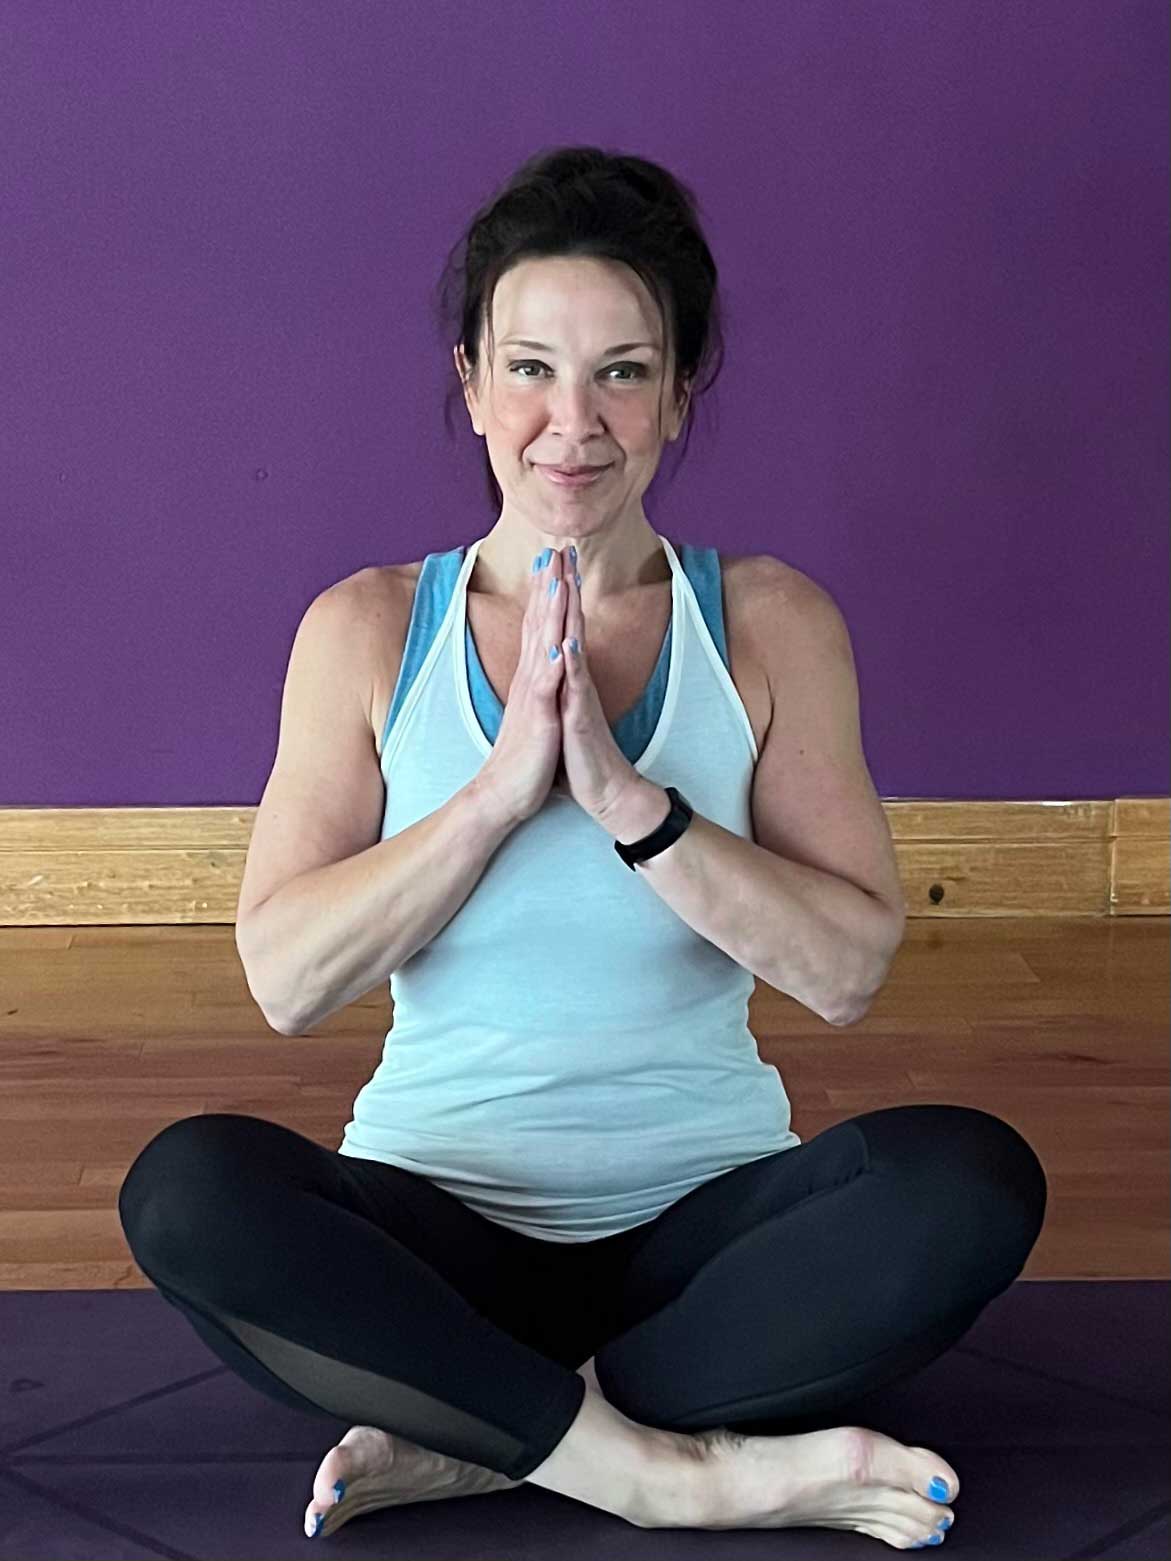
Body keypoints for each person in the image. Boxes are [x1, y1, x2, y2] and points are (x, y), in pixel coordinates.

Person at [117, 145, 1047, 1549]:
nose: (574, 422)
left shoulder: (772, 624)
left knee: (971, 1180)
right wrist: (496, 796)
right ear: (472, 383)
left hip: (704, 1242)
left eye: (622, 371)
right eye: (532, 370)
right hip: (434, 1229)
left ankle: (488, 1429)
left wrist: (630, 806)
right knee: (188, 1189)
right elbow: (287, 981)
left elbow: (848, 969)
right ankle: (670, 1471)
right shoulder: (367, 629)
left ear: (678, 395)